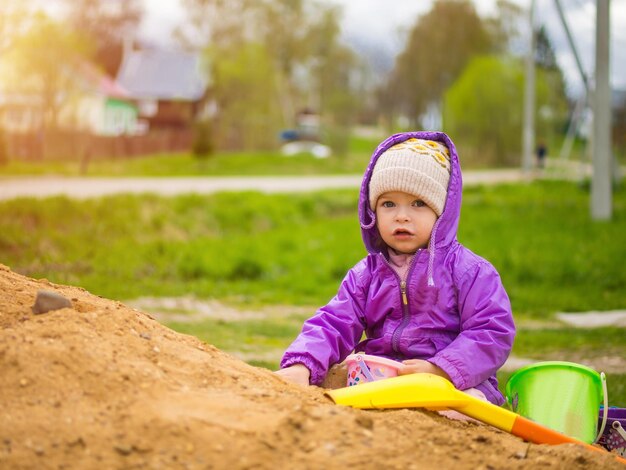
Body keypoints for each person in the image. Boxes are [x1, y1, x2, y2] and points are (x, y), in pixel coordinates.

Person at [276, 131, 515, 406]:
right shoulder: (365, 276)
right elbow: (334, 322)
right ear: (372, 212)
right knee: (332, 388)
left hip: (453, 382)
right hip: (382, 378)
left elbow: (492, 331)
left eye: (418, 203)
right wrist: (302, 364)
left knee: (465, 406)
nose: (402, 215)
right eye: (388, 204)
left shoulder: (469, 272)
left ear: (442, 211)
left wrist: (442, 369)